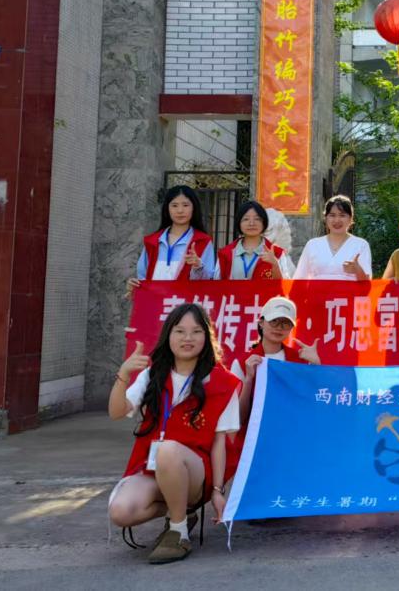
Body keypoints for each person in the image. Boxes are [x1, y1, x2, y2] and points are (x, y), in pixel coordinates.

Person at [107, 303, 241, 564]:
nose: (187, 338)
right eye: (180, 331)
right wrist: (123, 373)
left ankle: (178, 531)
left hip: (195, 474)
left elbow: (219, 443)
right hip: (154, 468)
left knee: (168, 449)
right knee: (121, 511)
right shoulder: (153, 375)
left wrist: (217, 491)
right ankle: (180, 512)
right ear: (168, 335)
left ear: (207, 337)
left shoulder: (222, 382)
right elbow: (116, 412)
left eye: (196, 331)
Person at [240, 296, 320, 423]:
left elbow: (312, 404)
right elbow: (239, 418)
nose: (279, 327)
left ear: (291, 328)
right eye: (274, 321)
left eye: (285, 323)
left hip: (290, 431)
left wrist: (316, 367)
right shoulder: (243, 362)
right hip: (256, 433)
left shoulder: (299, 361)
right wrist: (249, 379)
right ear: (261, 323)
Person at [128, 186, 217, 294]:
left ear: (194, 208)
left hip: (186, 303)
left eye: (185, 205)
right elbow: (142, 276)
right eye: (174, 205)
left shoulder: (202, 241)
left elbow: (208, 282)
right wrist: (136, 286)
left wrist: (198, 266)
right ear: (167, 209)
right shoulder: (152, 241)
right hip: (154, 301)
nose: (180, 210)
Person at [292, 195, 372, 281]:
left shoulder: (360, 245)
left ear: (350, 218)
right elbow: (299, 280)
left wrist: (357, 269)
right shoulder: (312, 245)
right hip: (318, 290)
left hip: (348, 290)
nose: (337, 220)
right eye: (332, 215)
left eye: (342, 215)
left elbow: (367, 284)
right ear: (326, 218)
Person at [216, 200, 295, 280]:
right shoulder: (226, 254)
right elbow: (216, 284)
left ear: (264, 223)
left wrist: (275, 265)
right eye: (246, 219)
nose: (251, 223)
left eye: (257, 219)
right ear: (239, 223)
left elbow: (285, 285)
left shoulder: (277, 253)